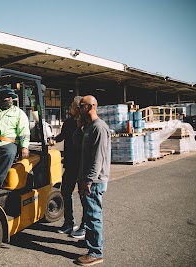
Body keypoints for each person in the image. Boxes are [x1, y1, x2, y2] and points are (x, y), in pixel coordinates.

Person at [75, 95, 111, 266]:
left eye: (80, 106)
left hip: (93, 181)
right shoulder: (88, 127)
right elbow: (76, 144)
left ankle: (96, 252)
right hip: (86, 178)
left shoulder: (99, 128)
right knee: (89, 214)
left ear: (90, 107)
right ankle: (91, 241)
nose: (77, 109)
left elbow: (98, 158)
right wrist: (79, 126)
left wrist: (88, 181)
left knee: (94, 215)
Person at [0, 86, 30, 193]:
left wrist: (24, 147)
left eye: (10, 98)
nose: (9, 99)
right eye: (5, 97)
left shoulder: (18, 113)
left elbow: (24, 132)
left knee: (9, 153)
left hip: (9, 143)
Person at [52, 96, 86, 237]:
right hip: (70, 163)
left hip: (82, 164)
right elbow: (62, 135)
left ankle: (85, 226)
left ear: (78, 108)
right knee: (65, 191)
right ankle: (69, 223)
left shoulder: (85, 123)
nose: (69, 108)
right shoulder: (68, 122)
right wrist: (53, 139)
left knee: (84, 196)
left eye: (72, 106)